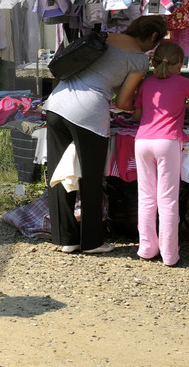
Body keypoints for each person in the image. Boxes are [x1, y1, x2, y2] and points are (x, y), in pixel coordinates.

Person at [43, 15, 169, 255]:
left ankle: (66, 238)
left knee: (59, 173)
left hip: (56, 104)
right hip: (88, 113)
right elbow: (122, 101)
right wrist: (142, 107)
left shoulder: (104, 37)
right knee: (90, 178)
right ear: (153, 37)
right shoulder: (138, 60)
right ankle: (91, 242)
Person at [117, 40, 189, 267]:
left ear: (154, 61)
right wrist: (187, 108)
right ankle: (170, 254)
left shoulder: (145, 83)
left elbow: (136, 115)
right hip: (168, 142)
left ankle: (147, 248)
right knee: (168, 200)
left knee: (146, 197)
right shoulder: (185, 83)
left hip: (142, 141)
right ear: (180, 64)